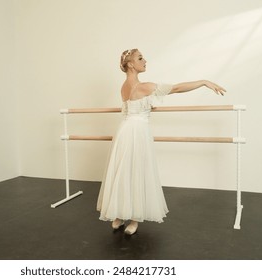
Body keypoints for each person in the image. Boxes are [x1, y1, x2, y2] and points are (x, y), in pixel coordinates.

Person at [96, 48, 226, 235]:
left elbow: (135, 107)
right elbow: (177, 88)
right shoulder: (145, 87)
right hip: (137, 131)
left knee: (124, 170)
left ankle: (119, 215)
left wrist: (147, 106)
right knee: (136, 170)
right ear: (131, 64)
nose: (145, 61)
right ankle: (133, 218)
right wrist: (204, 82)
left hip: (125, 130)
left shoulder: (125, 86)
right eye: (140, 58)